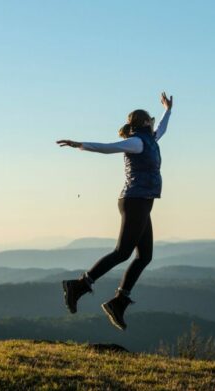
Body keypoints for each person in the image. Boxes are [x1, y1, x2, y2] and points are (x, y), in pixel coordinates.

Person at [56, 91, 173, 330]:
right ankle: (78, 286)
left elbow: (162, 129)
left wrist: (168, 110)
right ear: (144, 123)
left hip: (143, 201)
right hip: (134, 201)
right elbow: (108, 148)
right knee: (123, 252)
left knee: (144, 256)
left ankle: (119, 301)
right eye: (151, 119)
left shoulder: (149, 139)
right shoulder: (137, 142)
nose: (154, 122)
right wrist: (81, 145)